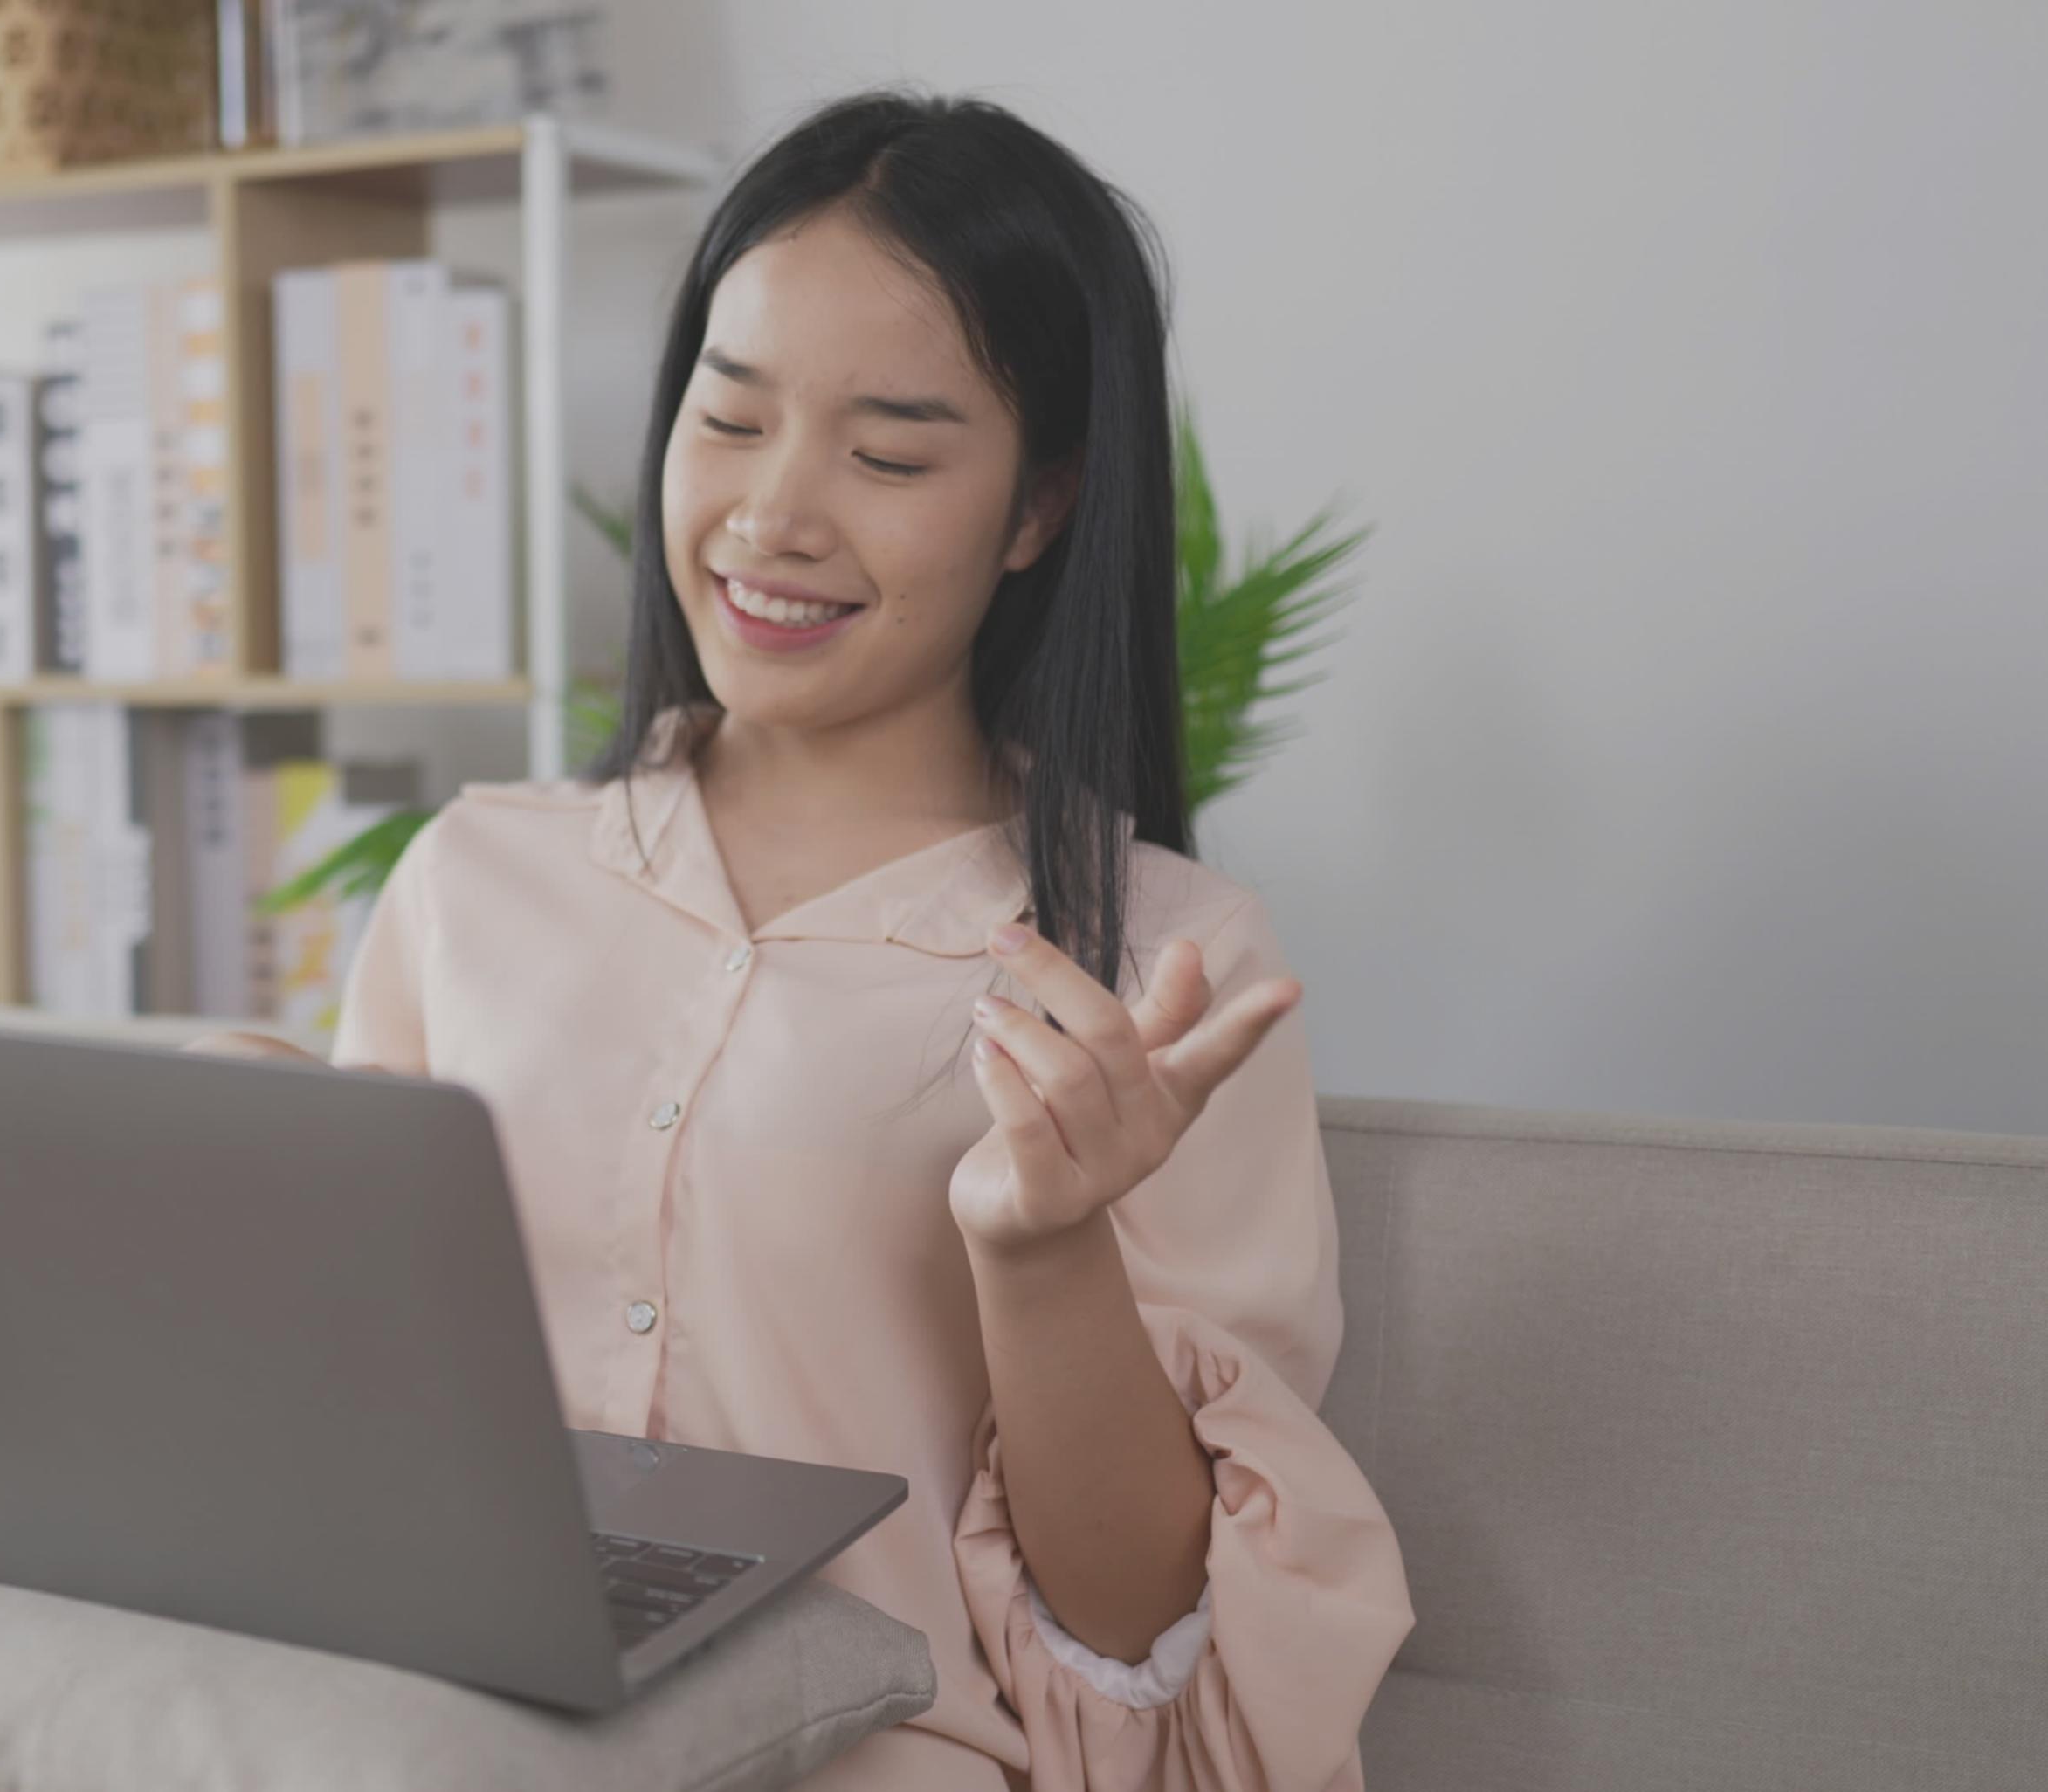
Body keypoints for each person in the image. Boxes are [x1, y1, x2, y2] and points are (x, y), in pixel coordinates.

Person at [199, 89, 1411, 1789]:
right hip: (441, 1732)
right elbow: (359, 1431)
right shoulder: (476, 878)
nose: (773, 516)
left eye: (890, 453)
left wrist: (1037, 1242)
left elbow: (1135, 1627)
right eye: (729, 416)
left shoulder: (1158, 968)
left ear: (1036, 508)